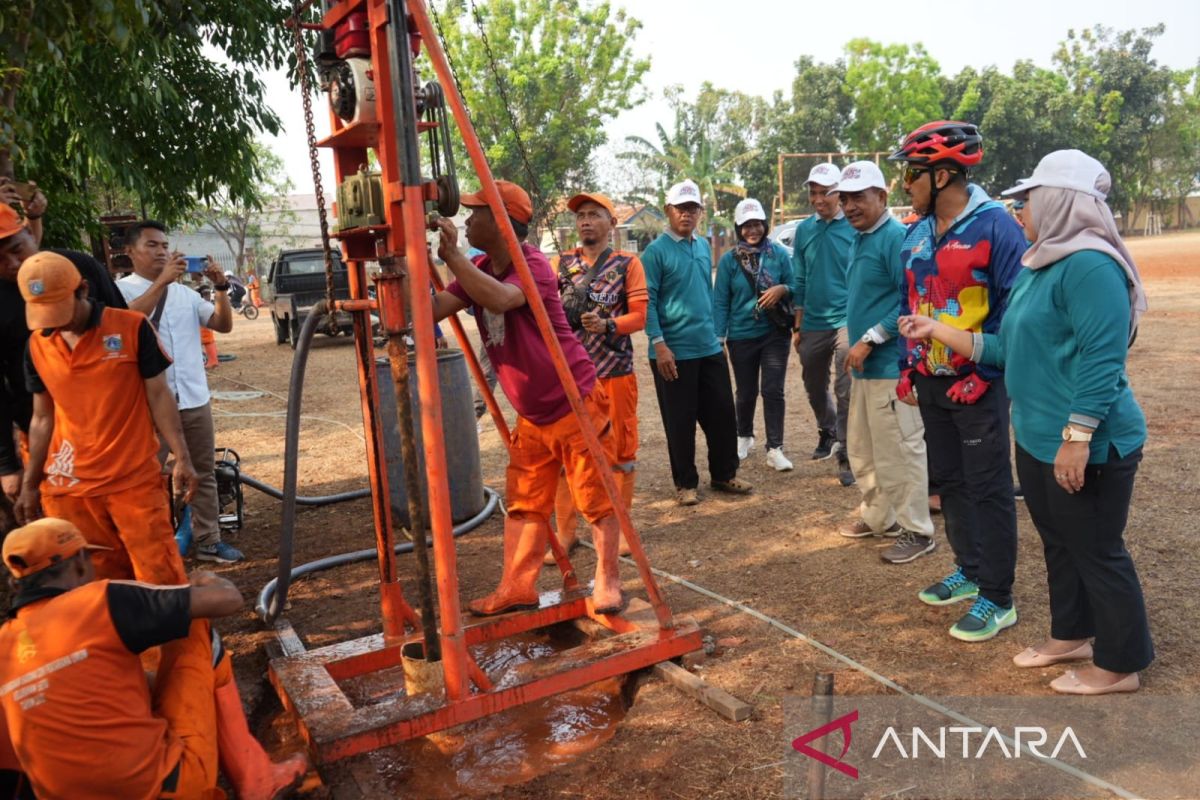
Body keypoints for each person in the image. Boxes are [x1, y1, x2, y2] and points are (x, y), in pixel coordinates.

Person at [901, 149, 1153, 695]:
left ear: (1061, 201)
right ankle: (1072, 635)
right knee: (1059, 540)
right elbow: (1006, 345)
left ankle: (1120, 663)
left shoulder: (1090, 266)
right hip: (1040, 437)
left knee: (1095, 546)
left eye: (1030, 199)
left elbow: (1102, 360)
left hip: (1088, 442)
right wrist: (936, 330)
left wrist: (1078, 438)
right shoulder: (1044, 263)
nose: (1021, 209)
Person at [0, 517, 307, 799]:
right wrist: (204, 580)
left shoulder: (4, 647)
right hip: (165, 788)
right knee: (194, 627)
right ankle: (257, 779)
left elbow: (12, 766)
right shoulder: (97, 600)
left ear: (16, 584)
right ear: (80, 564)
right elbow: (227, 600)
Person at [430, 180, 625, 616]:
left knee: (595, 499)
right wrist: (410, 263)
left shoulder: (531, 263)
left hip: (574, 403)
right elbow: (429, 310)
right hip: (533, 417)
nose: (466, 219)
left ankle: (608, 580)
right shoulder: (480, 265)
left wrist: (453, 258)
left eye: (476, 213)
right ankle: (518, 587)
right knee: (524, 505)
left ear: (502, 222)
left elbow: (500, 298)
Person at [890, 121, 1026, 642]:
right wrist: (908, 364)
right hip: (930, 381)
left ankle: (998, 597)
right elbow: (909, 301)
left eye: (912, 174)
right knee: (950, 483)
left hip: (978, 383)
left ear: (943, 174)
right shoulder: (917, 232)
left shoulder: (997, 227)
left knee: (989, 487)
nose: (907, 184)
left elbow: (1013, 314)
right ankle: (970, 572)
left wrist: (986, 373)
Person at [12, 251, 197, 586]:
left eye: (59, 309)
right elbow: (42, 418)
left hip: (133, 483)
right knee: (100, 582)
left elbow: (159, 395)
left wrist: (182, 456)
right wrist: (30, 484)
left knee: (160, 578)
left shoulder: (130, 327)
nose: (54, 323)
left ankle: (173, 641)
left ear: (82, 289)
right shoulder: (37, 346)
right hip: (70, 490)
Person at [117, 222, 243, 564]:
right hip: (147, 404)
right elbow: (126, 321)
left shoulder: (185, 295)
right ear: (130, 252)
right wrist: (162, 282)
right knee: (145, 476)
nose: (161, 251)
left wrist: (219, 288)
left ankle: (208, 539)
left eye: (164, 245)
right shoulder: (122, 292)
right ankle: (148, 546)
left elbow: (222, 324)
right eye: (152, 245)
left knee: (202, 470)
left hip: (193, 398)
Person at [0, 201, 127, 534]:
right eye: (0, 260)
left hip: (116, 433)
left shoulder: (79, 267)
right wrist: (8, 466)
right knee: (69, 536)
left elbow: (127, 333)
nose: (13, 265)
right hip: (48, 438)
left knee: (133, 529)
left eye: (16, 249)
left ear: (29, 232)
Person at [835, 162, 936, 565]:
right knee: (862, 450)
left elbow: (912, 301)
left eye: (859, 197)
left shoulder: (898, 239)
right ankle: (880, 517)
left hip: (892, 368)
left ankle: (918, 530)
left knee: (900, 452)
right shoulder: (860, 238)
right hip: (865, 368)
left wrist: (871, 337)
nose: (850, 206)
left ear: (882, 196)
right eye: (844, 199)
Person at [549, 192, 647, 561]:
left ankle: (619, 529)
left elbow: (639, 317)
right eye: (581, 216)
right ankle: (566, 533)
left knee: (620, 452)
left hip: (614, 374)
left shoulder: (627, 264)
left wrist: (608, 324)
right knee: (565, 454)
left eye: (594, 215)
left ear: (612, 223)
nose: (586, 221)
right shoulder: (560, 264)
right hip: (570, 376)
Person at [643, 179, 751, 506]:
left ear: (701, 212)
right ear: (668, 211)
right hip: (673, 351)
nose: (687, 214)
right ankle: (685, 483)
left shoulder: (702, 246)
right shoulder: (654, 253)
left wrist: (717, 336)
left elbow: (707, 292)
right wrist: (659, 344)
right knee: (680, 419)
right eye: (680, 208)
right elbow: (647, 301)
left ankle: (724, 474)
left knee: (721, 413)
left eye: (693, 208)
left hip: (708, 346)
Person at [713, 197, 795, 472]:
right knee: (745, 391)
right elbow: (721, 299)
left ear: (765, 225)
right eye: (747, 225)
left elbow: (796, 285)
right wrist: (719, 337)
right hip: (741, 335)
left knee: (773, 390)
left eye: (757, 224)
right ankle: (744, 435)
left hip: (775, 333)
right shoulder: (729, 261)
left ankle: (775, 448)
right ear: (739, 228)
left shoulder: (779, 255)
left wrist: (782, 289)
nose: (753, 230)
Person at [791, 163, 856, 486]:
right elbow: (799, 277)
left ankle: (846, 451)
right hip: (814, 320)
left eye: (825, 193)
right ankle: (827, 429)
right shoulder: (804, 230)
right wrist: (798, 325)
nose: (818, 199)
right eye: (813, 193)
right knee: (813, 382)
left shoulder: (855, 226)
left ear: (839, 193)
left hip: (847, 318)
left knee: (845, 387)